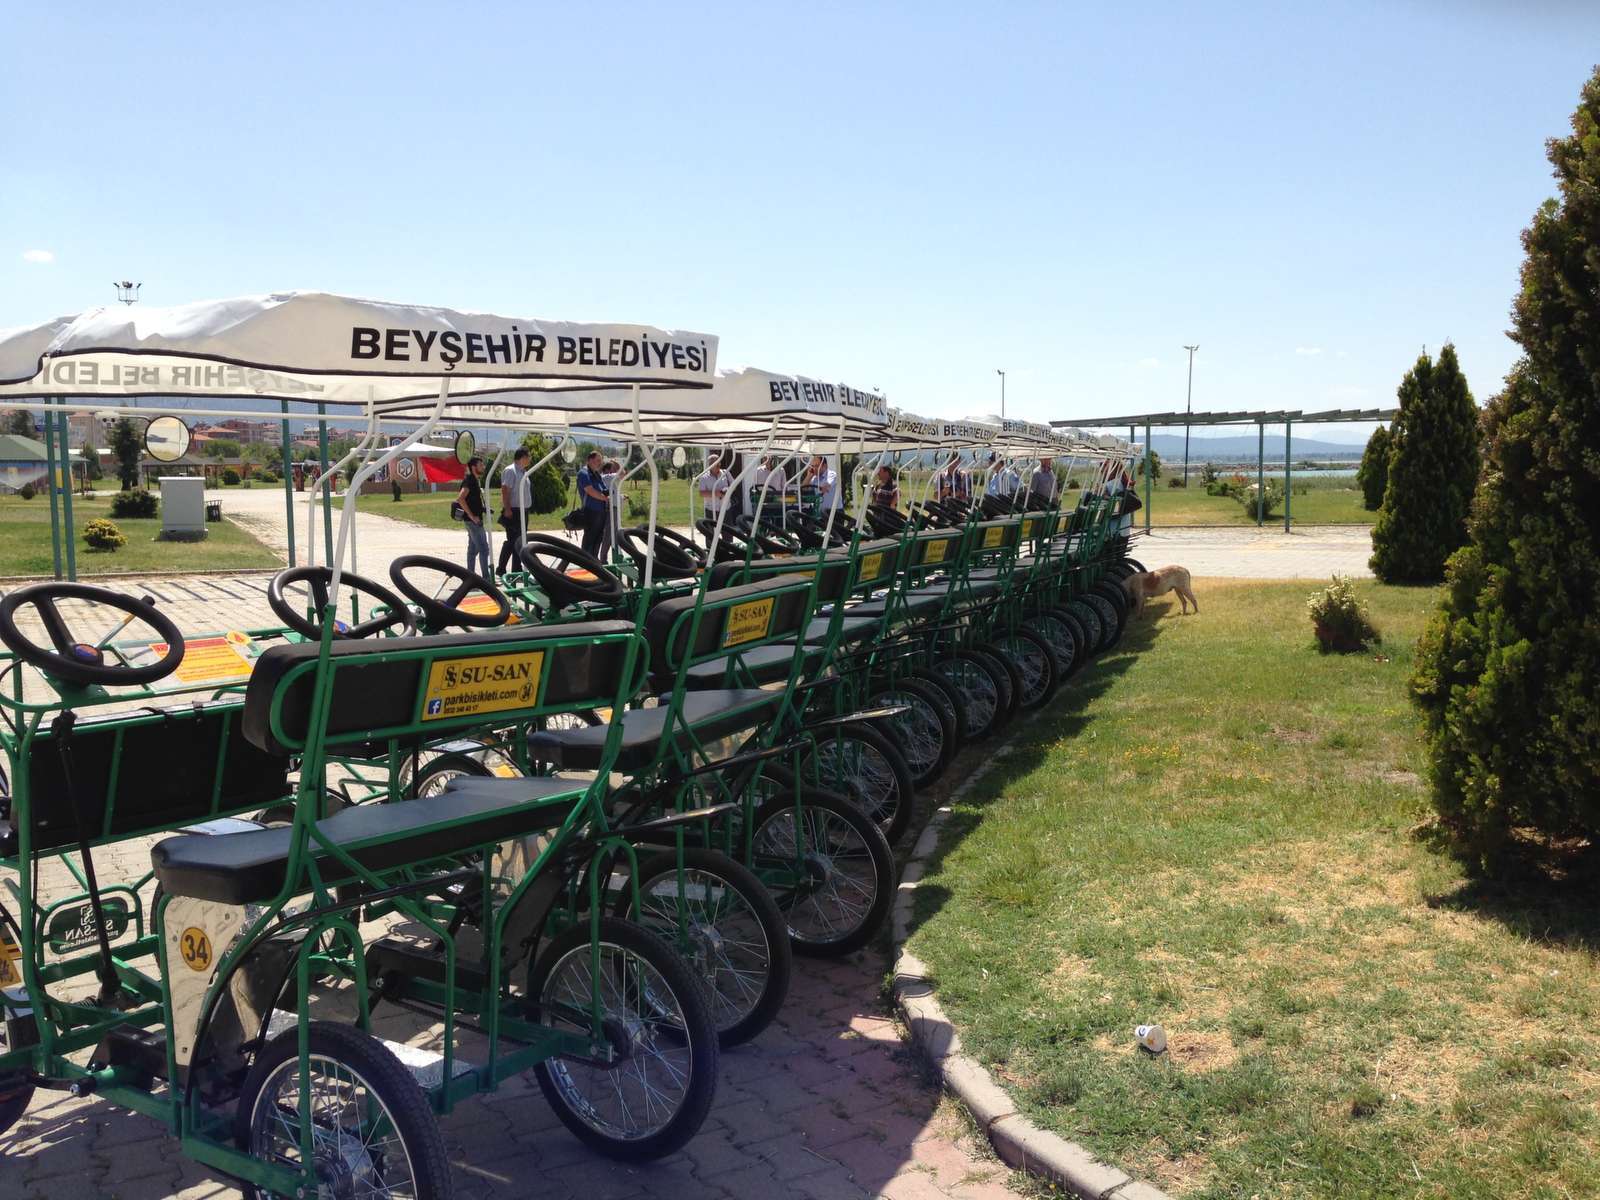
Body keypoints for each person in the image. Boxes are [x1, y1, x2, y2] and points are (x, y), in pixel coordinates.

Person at [495, 446, 531, 575]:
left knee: (520, 542)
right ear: (523, 457)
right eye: (529, 456)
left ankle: (516, 569)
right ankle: (501, 569)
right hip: (514, 510)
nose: (530, 459)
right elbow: (505, 490)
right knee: (512, 541)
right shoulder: (511, 470)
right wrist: (507, 509)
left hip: (523, 511)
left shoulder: (523, 472)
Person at [457, 456, 490, 578]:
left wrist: (483, 509)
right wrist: (472, 516)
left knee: (472, 550)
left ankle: (469, 576)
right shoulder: (469, 480)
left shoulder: (475, 480)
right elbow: (460, 499)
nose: (483, 467)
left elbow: (472, 500)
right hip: (473, 522)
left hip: (474, 520)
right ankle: (486, 579)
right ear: (473, 467)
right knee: (484, 549)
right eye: (480, 465)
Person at [576, 450, 610, 557]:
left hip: (601, 511)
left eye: (601, 461)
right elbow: (590, 491)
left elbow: (604, 489)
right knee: (590, 538)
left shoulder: (596, 474)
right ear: (590, 460)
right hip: (591, 511)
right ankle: (586, 561)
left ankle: (594, 561)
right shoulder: (584, 473)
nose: (600, 463)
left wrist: (609, 495)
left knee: (598, 538)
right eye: (598, 460)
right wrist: (605, 499)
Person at [696, 454, 731, 526]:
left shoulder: (726, 473)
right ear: (710, 464)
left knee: (727, 532)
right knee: (711, 532)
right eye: (716, 462)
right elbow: (701, 493)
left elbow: (734, 485)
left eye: (719, 462)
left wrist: (727, 490)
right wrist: (715, 493)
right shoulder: (704, 477)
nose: (718, 464)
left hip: (726, 509)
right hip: (711, 510)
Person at [600, 458, 622, 561]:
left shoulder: (604, 478)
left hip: (611, 507)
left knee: (615, 534)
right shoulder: (608, 477)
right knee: (609, 534)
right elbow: (622, 473)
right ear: (608, 470)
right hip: (612, 509)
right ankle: (603, 559)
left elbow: (612, 492)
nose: (615, 471)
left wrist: (621, 497)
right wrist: (615, 462)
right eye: (613, 469)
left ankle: (616, 556)